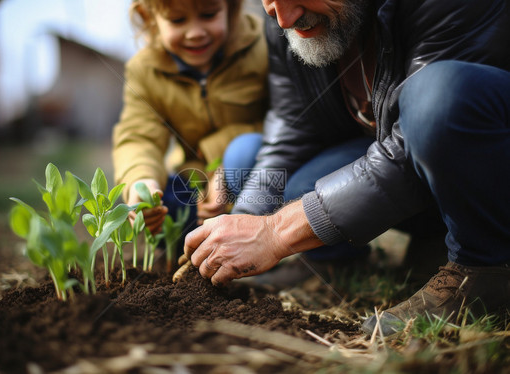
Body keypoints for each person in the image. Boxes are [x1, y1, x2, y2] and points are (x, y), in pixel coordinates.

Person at [183, 0, 510, 336]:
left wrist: (277, 231)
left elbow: (424, 133)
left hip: (484, 159)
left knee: (440, 95)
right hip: (414, 162)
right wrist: (246, 219)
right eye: (270, 4)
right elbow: (292, 127)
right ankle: (426, 239)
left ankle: (484, 263)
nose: (285, 19)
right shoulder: (289, 21)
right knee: (296, 186)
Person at [112, 0, 268, 235]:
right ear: (149, 17)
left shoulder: (262, 45)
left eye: (208, 15)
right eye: (177, 20)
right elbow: (139, 135)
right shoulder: (145, 70)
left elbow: (288, 119)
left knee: (243, 153)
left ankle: (258, 230)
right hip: (195, 178)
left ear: (232, 7)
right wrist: (141, 181)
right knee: (169, 208)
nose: (195, 33)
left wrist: (221, 161)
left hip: (255, 167)